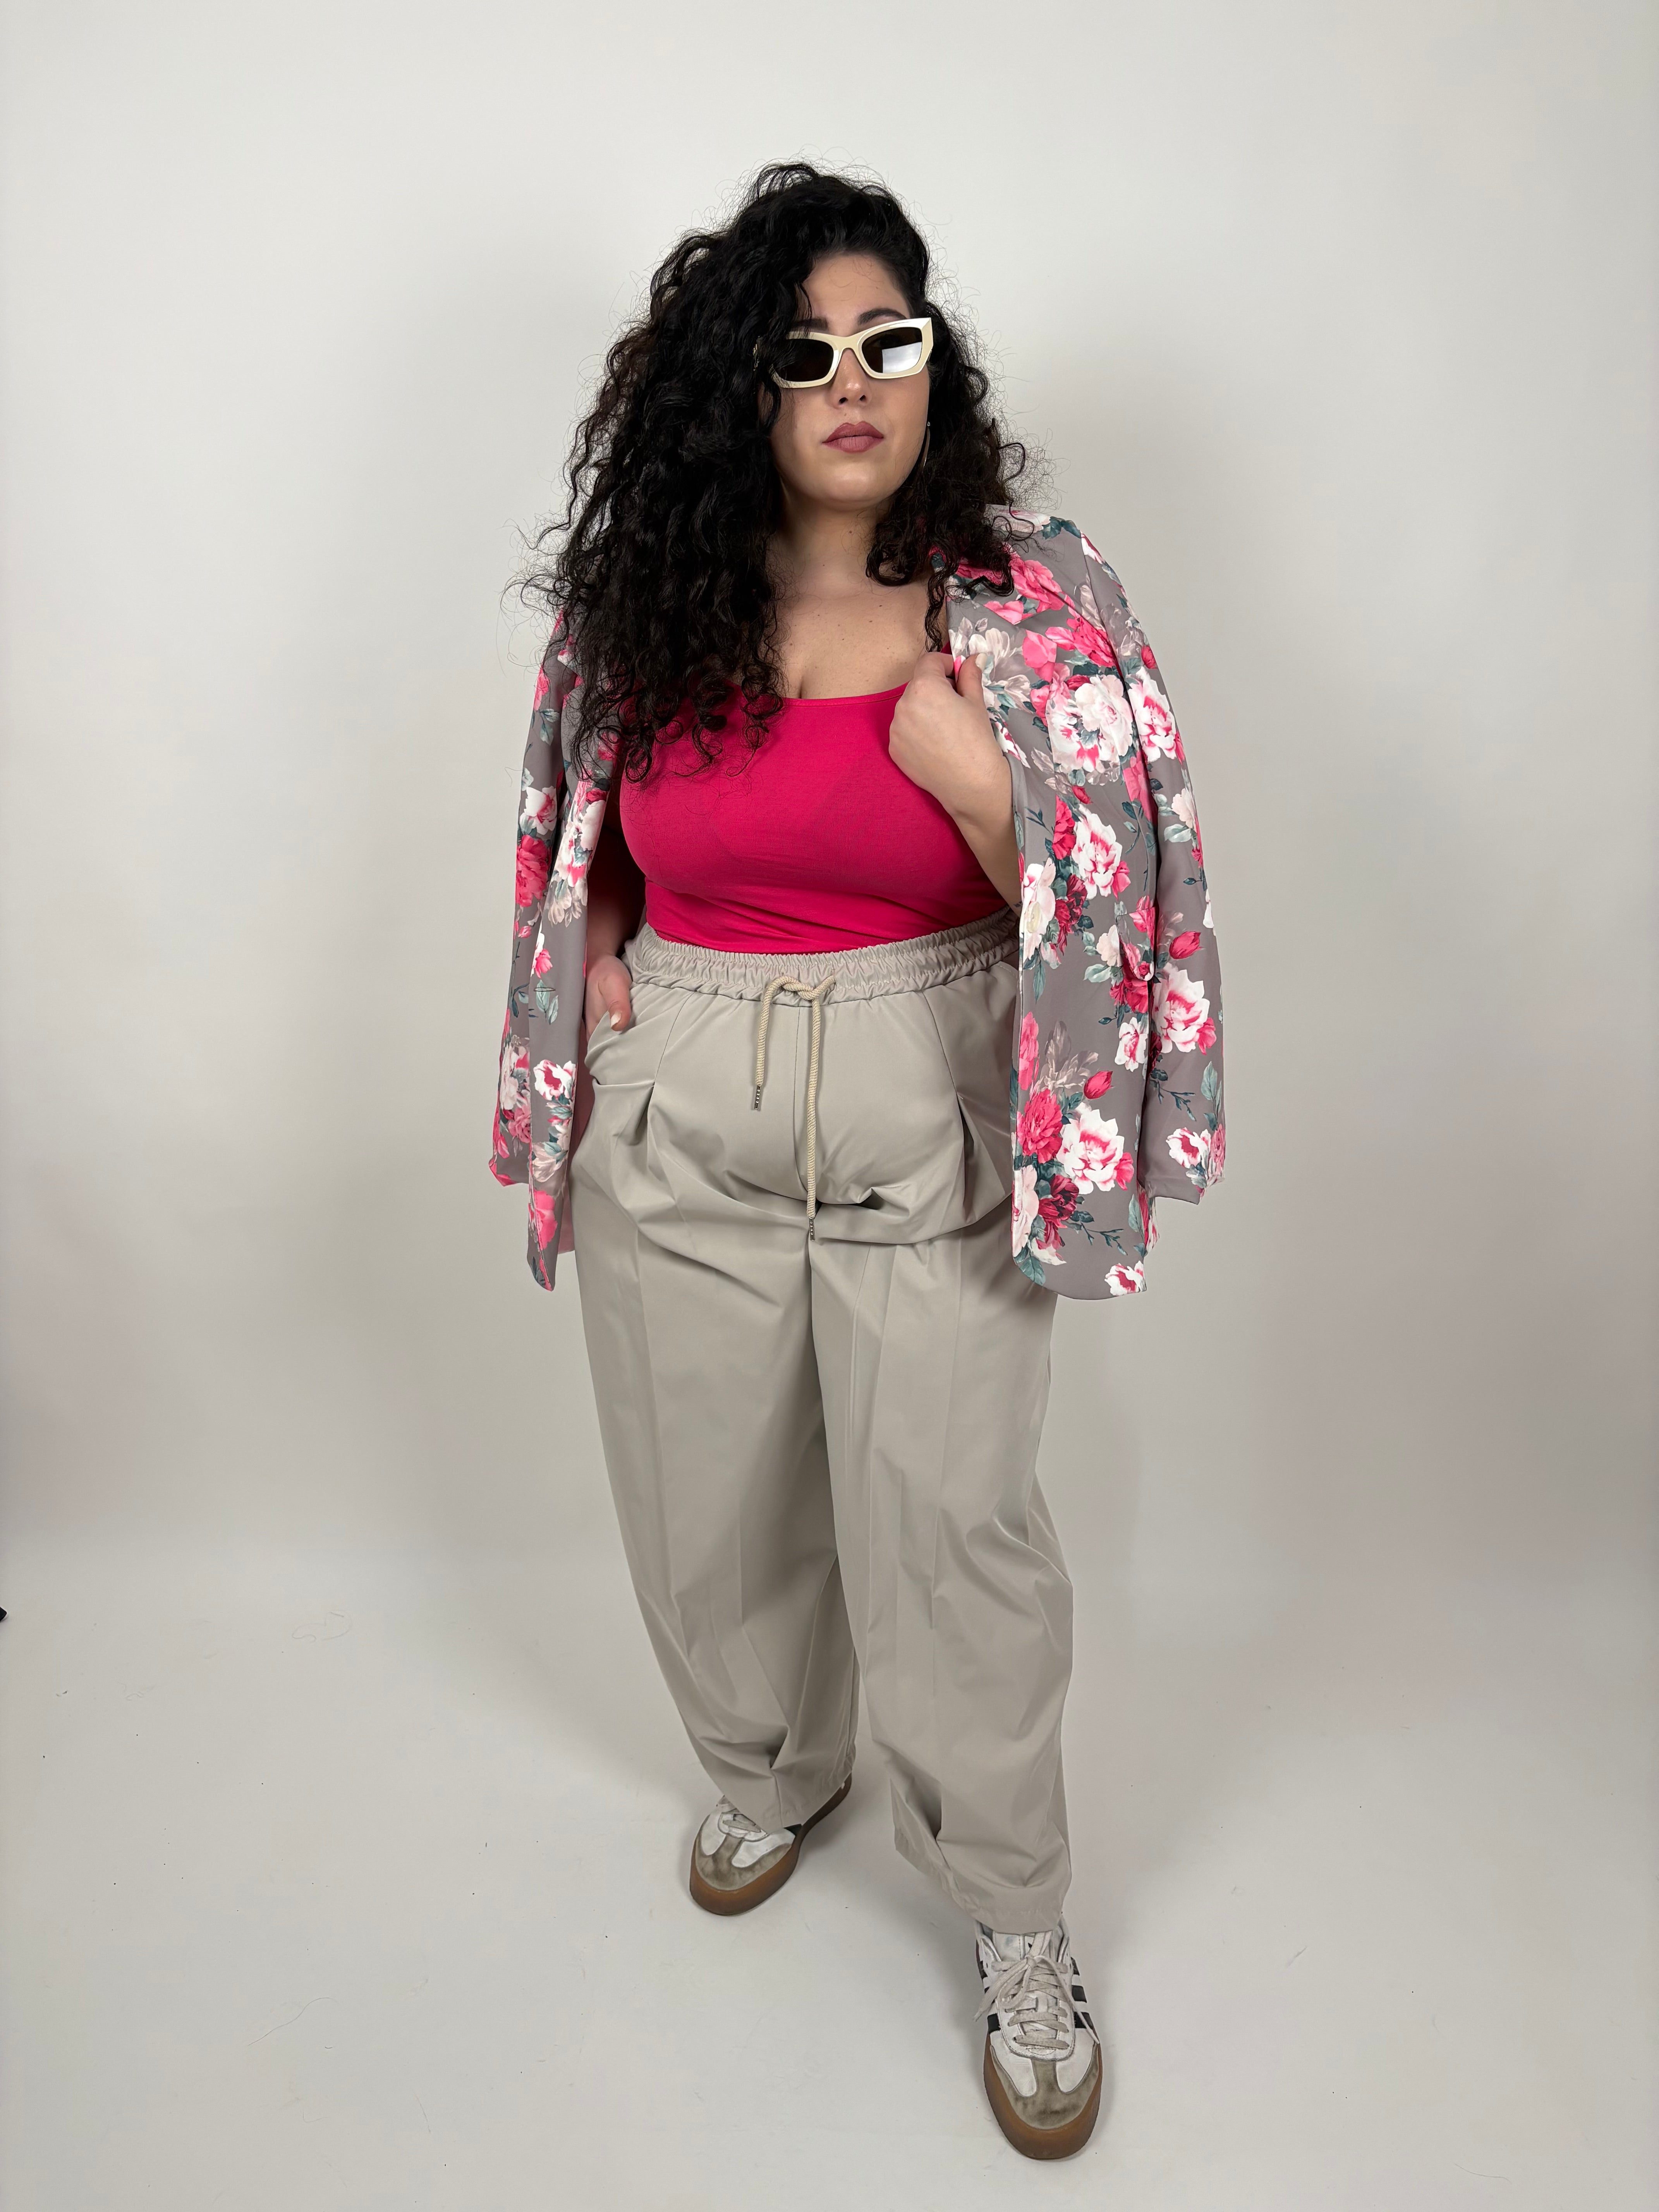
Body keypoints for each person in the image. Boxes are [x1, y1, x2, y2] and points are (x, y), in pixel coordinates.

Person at [491, 161, 1225, 2161]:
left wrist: (987, 792)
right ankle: (768, 1765)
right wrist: (612, 962)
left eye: (885, 341)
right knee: (703, 1492)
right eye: (801, 352)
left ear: (932, 364)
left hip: (934, 1086)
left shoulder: (1034, 601)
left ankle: (1015, 1912)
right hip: (686, 1091)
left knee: (952, 1530)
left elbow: (1132, 896)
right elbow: (587, 826)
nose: (850, 382)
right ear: (740, 386)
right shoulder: (655, 604)